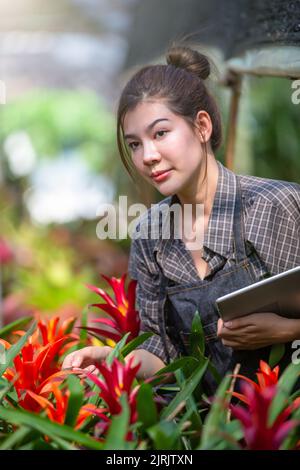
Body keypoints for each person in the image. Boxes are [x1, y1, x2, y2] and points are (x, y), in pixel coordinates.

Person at [63, 46, 300, 394]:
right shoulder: (150, 235)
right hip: (206, 431)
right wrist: (113, 359)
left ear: (201, 126)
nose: (148, 156)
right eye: (134, 144)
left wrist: (289, 331)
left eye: (160, 133)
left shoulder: (273, 206)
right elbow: (163, 355)